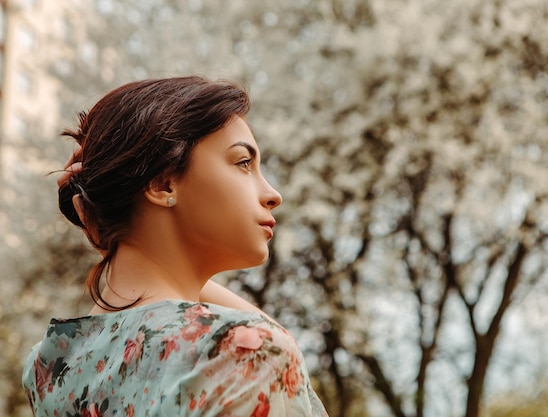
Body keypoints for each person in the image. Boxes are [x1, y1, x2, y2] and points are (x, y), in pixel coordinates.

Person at [22, 76, 329, 416]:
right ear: (162, 183)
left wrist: (124, 247)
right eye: (244, 163)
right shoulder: (244, 349)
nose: (273, 194)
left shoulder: (48, 365)